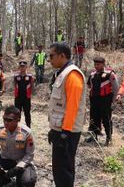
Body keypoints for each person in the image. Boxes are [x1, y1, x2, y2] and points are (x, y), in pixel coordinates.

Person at [47, 43, 86, 187]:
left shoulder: (72, 75)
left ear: (62, 56)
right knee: (59, 169)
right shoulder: (62, 73)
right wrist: (54, 130)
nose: (49, 59)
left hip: (67, 132)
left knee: (64, 170)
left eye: (52, 56)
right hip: (61, 129)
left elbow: (72, 107)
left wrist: (65, 132)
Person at [0, 105, 37, 187]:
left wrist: (19, 167)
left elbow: (29, 154)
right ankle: (4, 179)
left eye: (9, 120)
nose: (6, 122)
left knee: (28, 181)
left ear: (18, 119)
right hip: (5, 159)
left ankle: (17, 182)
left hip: (20, 162)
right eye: (4, 119)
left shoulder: (26, 132)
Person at [85, 57, 119, 146]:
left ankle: (109, 137)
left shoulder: (110, 74)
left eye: (98, 64)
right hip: (94, 100)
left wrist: (113, 100)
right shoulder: (92, 74)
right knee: (94, 118)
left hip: (106, 100)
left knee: (106, 119)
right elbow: (88, 85)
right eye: (95, 64)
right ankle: (94, 136)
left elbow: (116, 88)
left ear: (103, 64)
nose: (96, 66)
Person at [14, 61, 34, 127]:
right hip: (18, 97)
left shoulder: (30, 76)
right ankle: (16, 126)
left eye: (23, 66)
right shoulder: (16, 76)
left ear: (26, 67)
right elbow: (14, 85)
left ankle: (28, 127)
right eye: (21, 66)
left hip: (26, 97)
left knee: (27, 113)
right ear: (19, 67)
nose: (22, 67)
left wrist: (30, 94)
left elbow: (32, 86)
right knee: (17, 113)